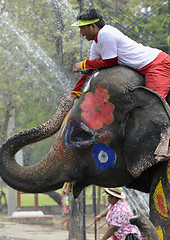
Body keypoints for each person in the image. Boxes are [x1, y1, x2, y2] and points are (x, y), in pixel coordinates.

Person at [68, 7, 170, 107]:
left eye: (82, 28)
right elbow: (90, 70)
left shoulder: (106, 34)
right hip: (146, 67)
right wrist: (73, 95)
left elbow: (110, 61)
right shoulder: (95, 44)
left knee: (151, 105)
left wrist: (83, 64)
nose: (81, 33)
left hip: (157, 64)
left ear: (93, 26)